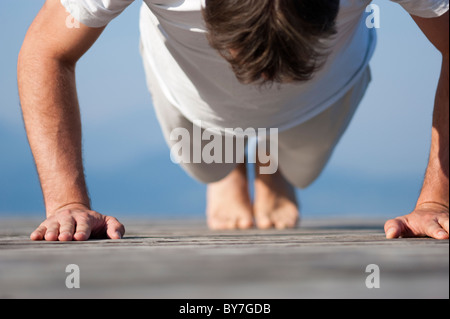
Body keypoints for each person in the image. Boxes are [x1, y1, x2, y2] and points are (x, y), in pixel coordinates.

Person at [18, 0, 448, 241]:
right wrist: (66, 203)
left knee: (303, 168)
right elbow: (46, 50)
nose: (265, 81)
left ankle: (271, 165)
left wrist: (436, 202)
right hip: (189, 92)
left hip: (322, 94)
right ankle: (229, 171)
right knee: (206, 165)